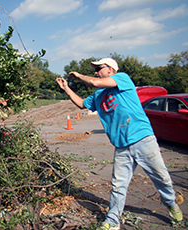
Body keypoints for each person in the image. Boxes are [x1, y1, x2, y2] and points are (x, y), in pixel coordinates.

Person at [56, 58, 183, 230]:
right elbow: (81, 104)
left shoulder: (122, 78)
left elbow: (94, 82)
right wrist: (66, 88)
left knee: (161, 178)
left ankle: (171, 204)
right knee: (118, 185)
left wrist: (78, 76)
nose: (95, 72)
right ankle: (113, 221)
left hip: (142, 138)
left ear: (110, 69)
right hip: (121, 145)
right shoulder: (98, 94)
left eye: (98, 68)